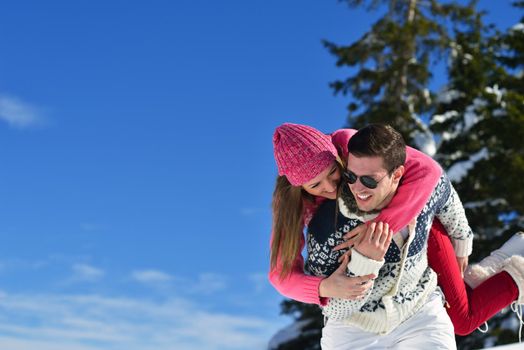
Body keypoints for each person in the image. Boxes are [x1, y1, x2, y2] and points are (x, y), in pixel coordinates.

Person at [269, 123, 523, 340]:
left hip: (423, 235)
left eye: (334, 172)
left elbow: (429, 171)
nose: (330, 186)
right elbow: (280, 274)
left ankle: (517, 275)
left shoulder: (352, 146)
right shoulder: (291, 205)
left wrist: (383, 227)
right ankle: (498, 264)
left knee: (462, 320)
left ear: (336, 156)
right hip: (386, 270)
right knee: (458, 312)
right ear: (298, 187)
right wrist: (323, 287)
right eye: (315, 185)